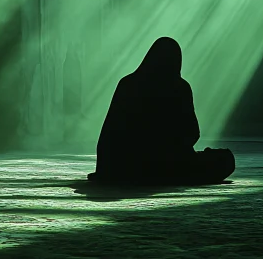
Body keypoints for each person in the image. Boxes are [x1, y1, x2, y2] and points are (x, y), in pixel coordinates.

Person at [88, 37, 235, 185]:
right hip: (164, 163)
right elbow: (192, 133)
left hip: (122, 165)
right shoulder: (180, 87)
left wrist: (107, 167)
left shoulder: (127, 83)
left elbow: (109, 133)